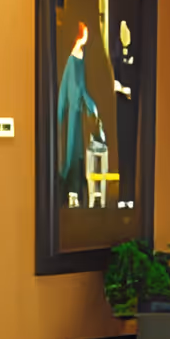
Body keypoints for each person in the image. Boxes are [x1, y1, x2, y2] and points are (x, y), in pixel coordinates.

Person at [55, 21, 103, 206]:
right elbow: (77, 89)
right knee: (73, 153)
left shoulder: (74, 57)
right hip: (73, 116)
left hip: (72, 114)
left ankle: (72, 193)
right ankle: (72, 193)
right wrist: (90, 106)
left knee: (73, 153)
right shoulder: (75, 58)